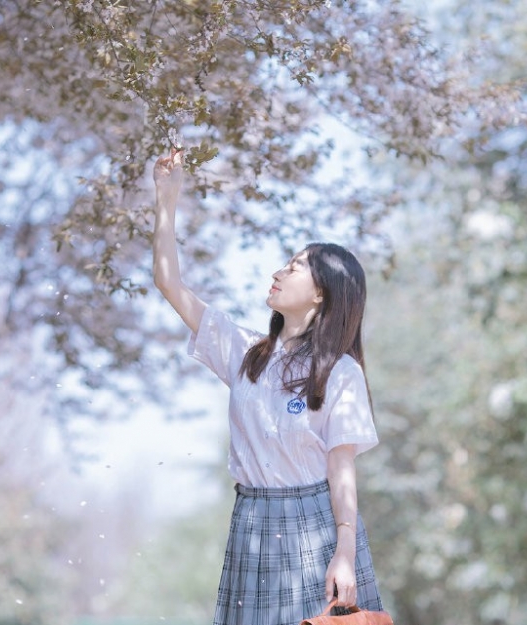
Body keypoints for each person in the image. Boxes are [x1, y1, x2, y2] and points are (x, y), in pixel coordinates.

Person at [151, 149, 385, 625]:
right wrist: (166, 198)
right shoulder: (244, 351)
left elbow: (341, 469)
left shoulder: (340, 373)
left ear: (322, 293)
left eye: (295, 267)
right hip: (252, 521)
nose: (279, 272)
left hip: (317, 526)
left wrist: (344, 550)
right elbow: (169, 284)